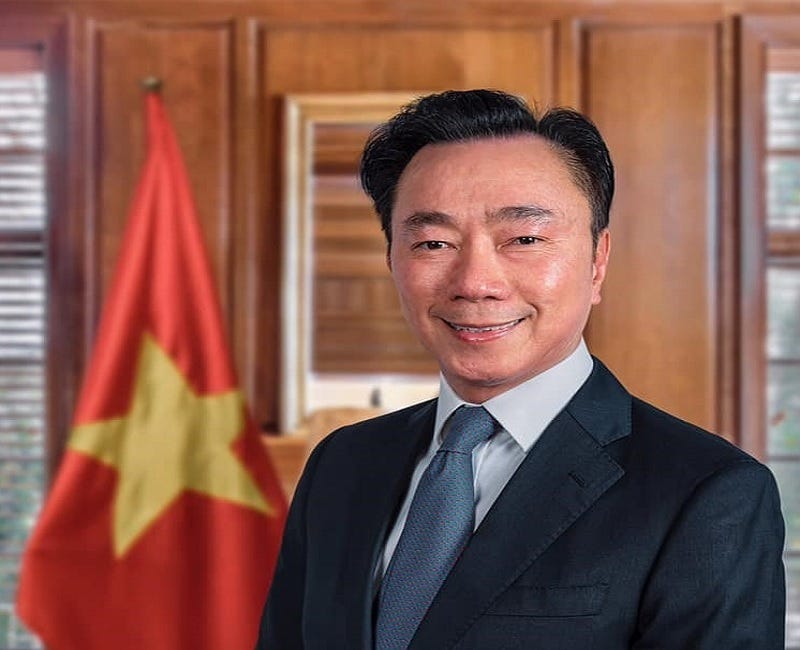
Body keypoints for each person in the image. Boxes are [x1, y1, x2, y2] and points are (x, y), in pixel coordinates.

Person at [256, 89, 786, 649]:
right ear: (392, 259)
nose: (475, 283)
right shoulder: (343, 464)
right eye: (433, 243)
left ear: (598, 260)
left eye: (525, 239)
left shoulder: (707, 493)